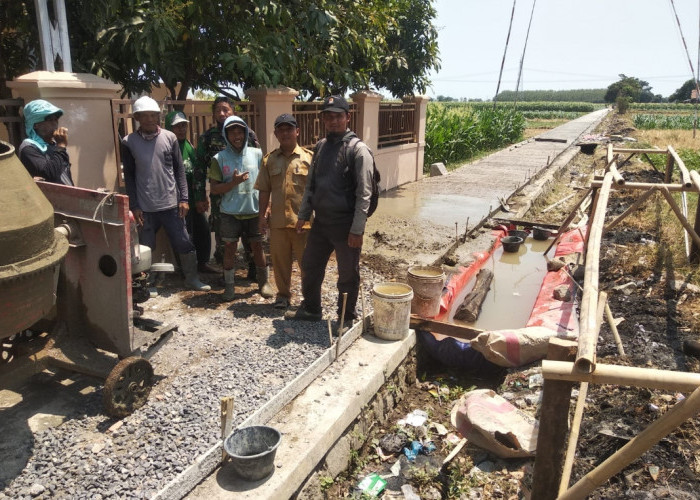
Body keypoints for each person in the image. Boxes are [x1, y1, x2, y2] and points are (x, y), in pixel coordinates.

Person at [285, 95, 374, 327]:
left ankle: (346, 317)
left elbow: (365, 194)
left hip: (346, 227)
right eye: (328, 117)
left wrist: (357, 229)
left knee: (347, 275)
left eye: (337, 116)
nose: (333, 121)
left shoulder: (358, 150)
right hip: (321, 224)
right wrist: (303, 215)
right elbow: (311, 185)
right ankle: (312, 309)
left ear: (347, 117)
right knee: (310, 267)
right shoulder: (322, 147)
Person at [122, 96, 211, 293]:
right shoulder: (129, 142)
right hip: (145, 207)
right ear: (137, 117)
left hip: (171, 204)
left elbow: (179, 171)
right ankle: (146, 285)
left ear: (158, 117)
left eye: (153, 115)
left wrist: (184, 199)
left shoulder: (169, 138)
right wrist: (134, 206)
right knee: (145, 247)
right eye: (144, 116)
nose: (149, 120)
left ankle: (191, 278)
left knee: (184, 242)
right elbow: (129, 176)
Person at [208, 116, 273, 301]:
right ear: (225, 135)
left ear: (245, 133)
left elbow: (266, 185)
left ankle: (264, 283)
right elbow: (214, 188)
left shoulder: (257, 154)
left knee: (257, 246)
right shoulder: (219, 158)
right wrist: (233, 183)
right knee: (229, 248)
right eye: (231, 132)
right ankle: (230, 287)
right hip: (230, 213)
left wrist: (266, 208)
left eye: (239, 131)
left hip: (253, 211)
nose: (236, 135)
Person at [194, 96, 259, 281]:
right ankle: (226, 273)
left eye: (226, 110)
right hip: (220, 197)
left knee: (250, 233)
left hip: (246, 195)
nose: (222, 114)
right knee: (224, 236)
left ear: (233, 112)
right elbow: (199, 168)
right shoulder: (207, 138)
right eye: (218, 110)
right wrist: (200, 196)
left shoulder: (249, 135)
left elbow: (258, 164)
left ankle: (254, 269)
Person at [255, 113, 314, 310]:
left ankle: (310, 299)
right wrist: (262, 217)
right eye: (281, 129)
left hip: (303, 223)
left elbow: (317, 192)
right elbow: (264, 190)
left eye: (289, 129)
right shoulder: (269, 160)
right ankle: (283, 296)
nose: (285, 133)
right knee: (280, 263)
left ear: (297, 131)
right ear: (276, 133)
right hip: (278, 222)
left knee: (308, 264)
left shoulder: (309, 158)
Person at [164, 110, 217, 274]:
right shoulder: (167, 147)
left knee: (203, 229)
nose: (181, 129)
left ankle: (202, 263)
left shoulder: (188, 145)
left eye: (183, 126)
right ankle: (186, 269)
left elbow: (197, 171)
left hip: (193, 198)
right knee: (184, 235)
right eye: (177, 126)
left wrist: (202, 196)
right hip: (177, 200)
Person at [18, 99, 73, 185]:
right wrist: (61, 146)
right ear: (35, 124)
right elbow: (50, 174)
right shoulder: (29, 147)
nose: (55, 123)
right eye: (50, 120)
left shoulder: (54, 145)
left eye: (56, 119)